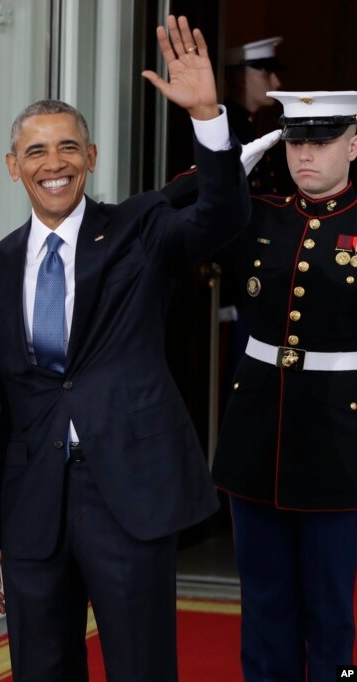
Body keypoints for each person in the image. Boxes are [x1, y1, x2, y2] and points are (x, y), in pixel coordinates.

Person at [0, 16, 250, 681]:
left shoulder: (139, 229)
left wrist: (206, 115)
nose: (53, 163)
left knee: (139, 665)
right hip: (30, 504)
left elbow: (221, 216)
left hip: (126, 489)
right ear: (13, 168)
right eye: (35, 151)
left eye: (68, 147)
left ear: (89, 158)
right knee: (40, 667)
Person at [212, 90, 357, 682]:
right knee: (265, 602)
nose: (306, 156)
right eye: (297, 141)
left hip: (339, 436)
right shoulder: (259, 213)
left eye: (322, 142)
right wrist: (228, 164)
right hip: (257, 435)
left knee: (330, 609)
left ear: (354, 145)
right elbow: (182, 211)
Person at [224, 36, 289, 196]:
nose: (276, 83)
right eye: (266, 74)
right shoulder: (227, 127)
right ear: (242, 77)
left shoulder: (248, 123)